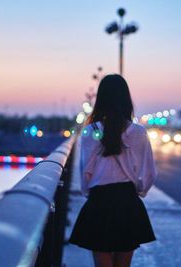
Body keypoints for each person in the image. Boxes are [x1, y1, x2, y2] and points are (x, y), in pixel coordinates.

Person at [69, 74, 157, 267]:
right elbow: (149, 172)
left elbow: (85, 172)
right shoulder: (139, 132)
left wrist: (88, 193)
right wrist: (139, 190)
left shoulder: (90, 131)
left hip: (100, 201)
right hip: (127, 201)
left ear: (101, 99)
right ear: (126, 99)